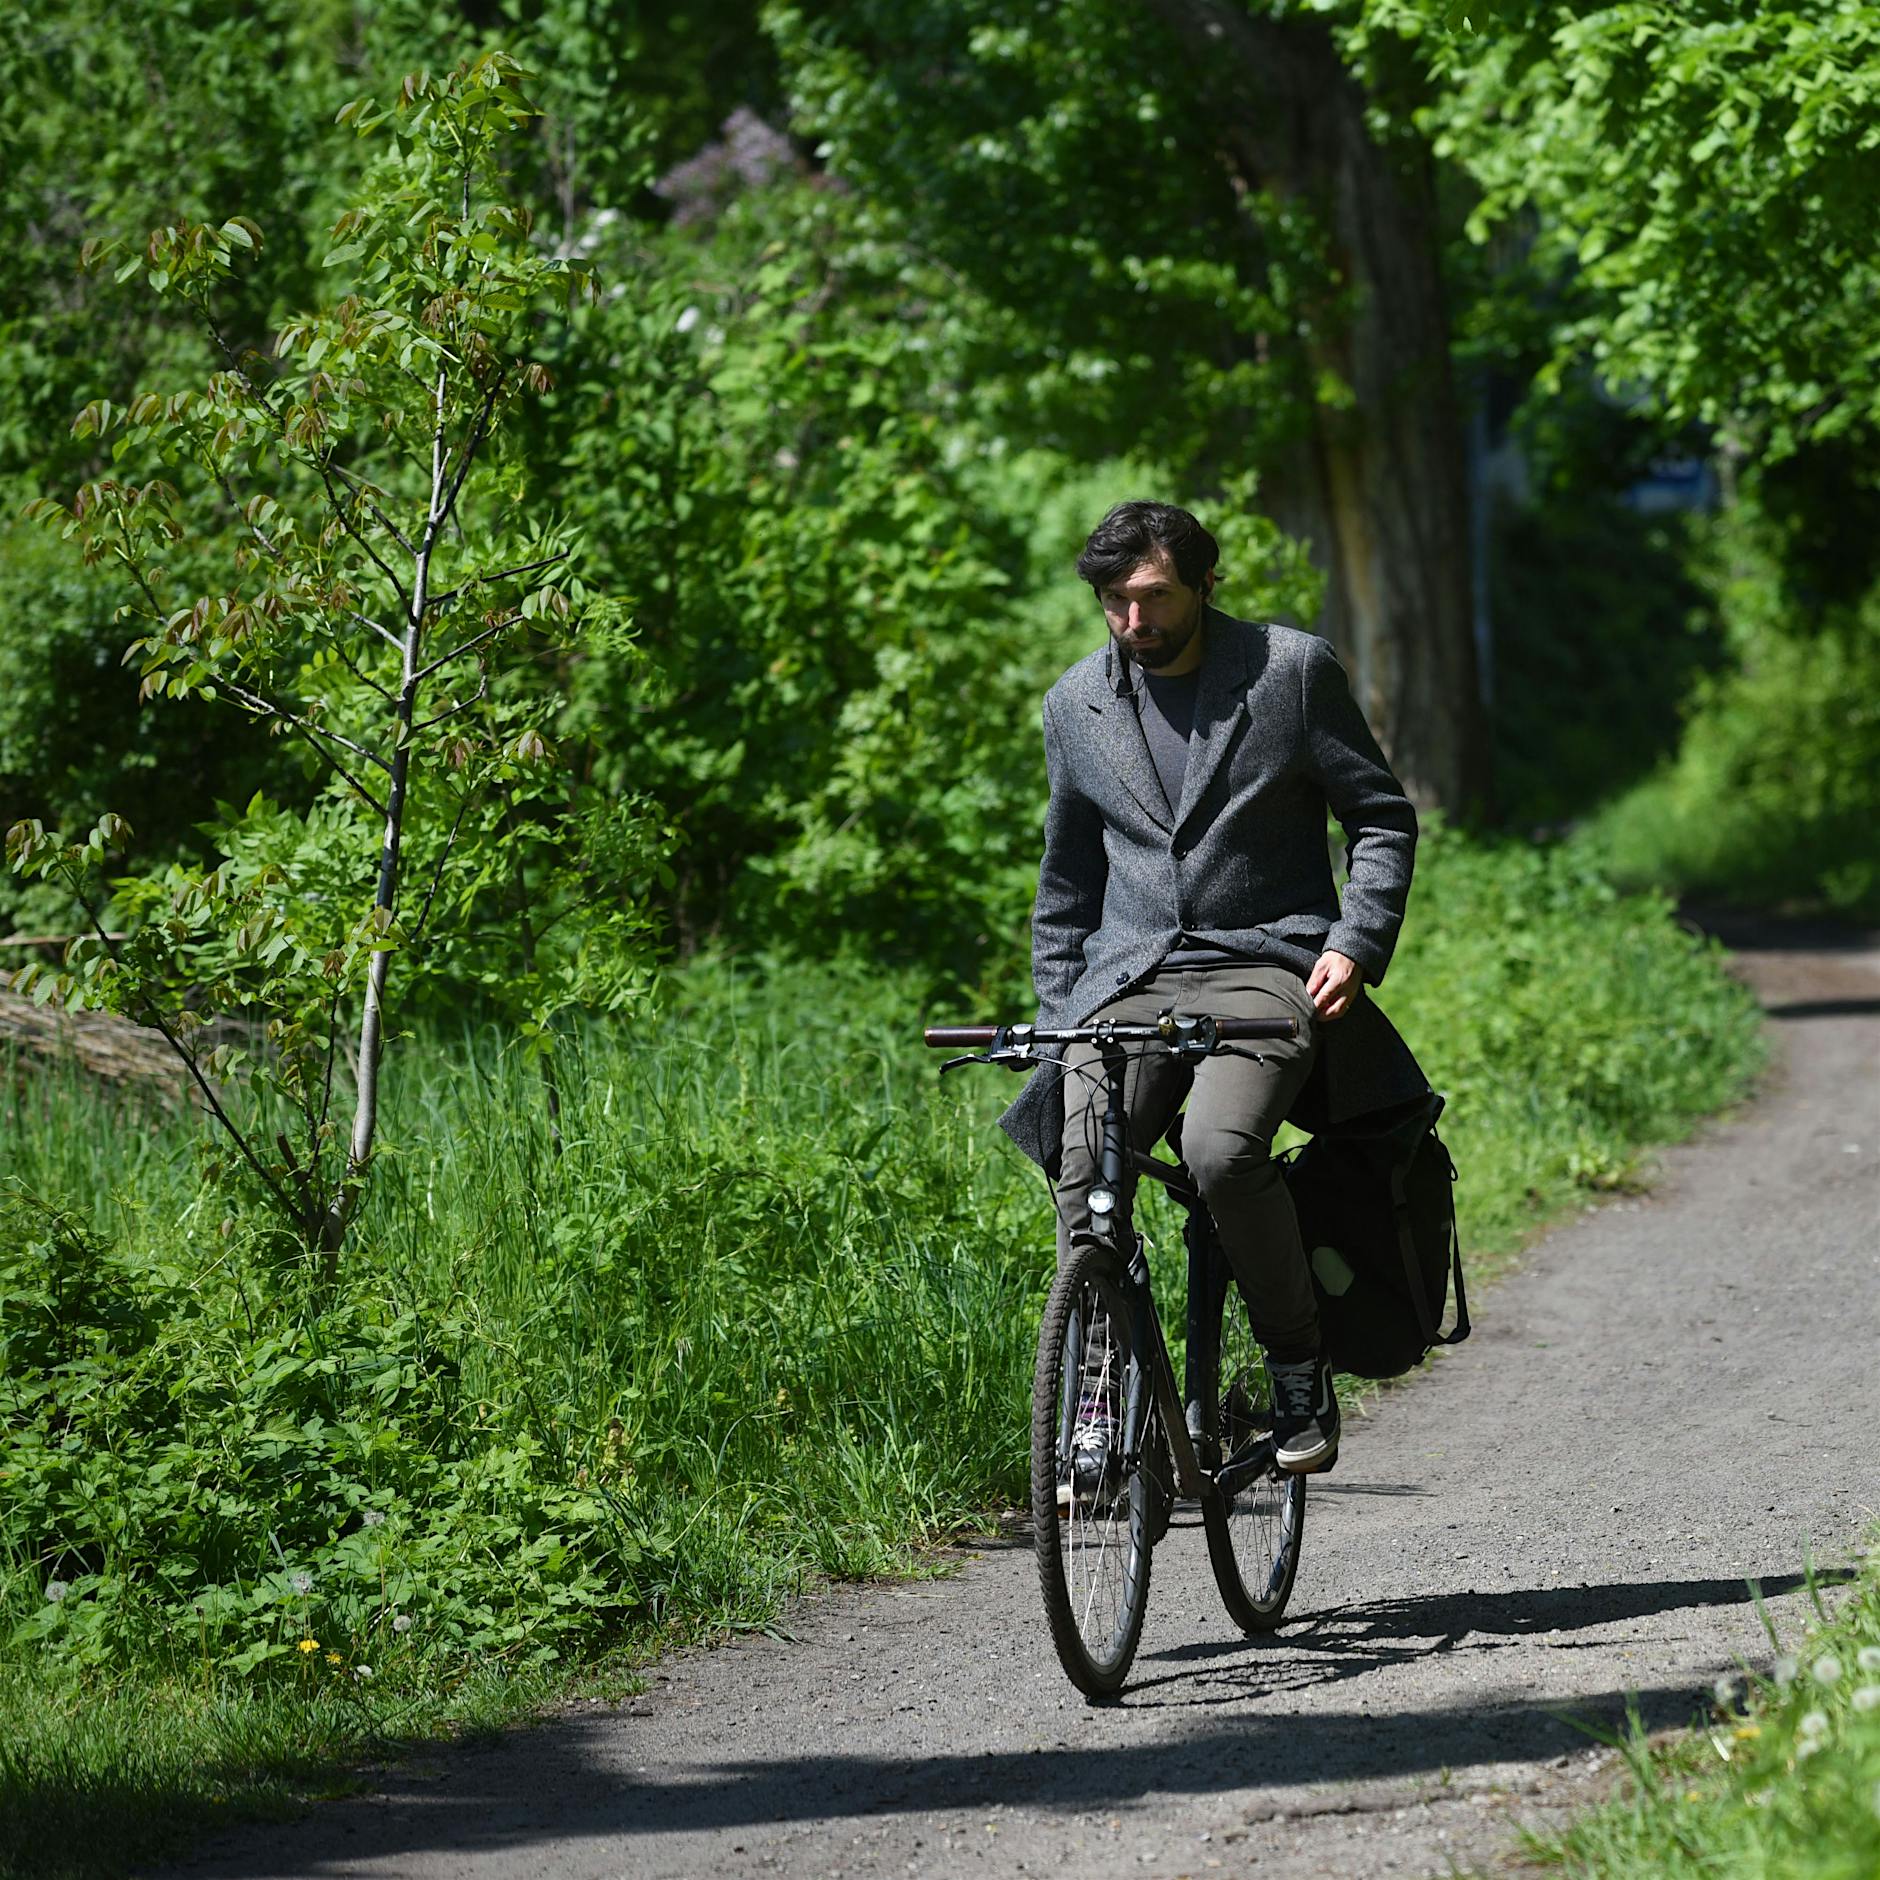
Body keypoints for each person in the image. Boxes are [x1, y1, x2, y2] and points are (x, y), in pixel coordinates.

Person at [999, 500, 1430, 1474]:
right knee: (1086, 1161)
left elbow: (1379, 818)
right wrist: (1060, 1010)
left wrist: (1354, 942)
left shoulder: (1288, 672)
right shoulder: (1074, 704)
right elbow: (1066, 881)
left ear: (1203, 582)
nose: (1131, 621)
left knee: (1220, 1150)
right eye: (1112, 600)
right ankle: (1101, 1396)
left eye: (1150, 596)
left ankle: (1293, 1361)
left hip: (1266, 963)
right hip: (1127, 975)